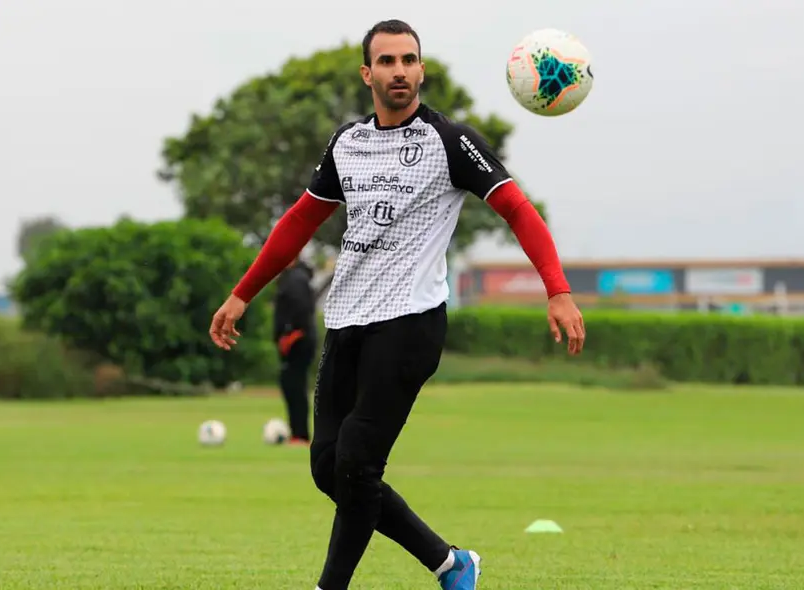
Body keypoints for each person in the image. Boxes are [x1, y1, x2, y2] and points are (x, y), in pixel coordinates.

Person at [209, 19, 585, 590]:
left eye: (409, 60)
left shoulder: (451, 141)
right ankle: (450, 563)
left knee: (358, 462)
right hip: (345, 323)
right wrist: (241, 293)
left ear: (421, 69)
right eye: (387, 62)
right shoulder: (347, 143)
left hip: (409, 324)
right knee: (328, 469)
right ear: (368, 74)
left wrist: (557, 290)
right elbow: (298, 222)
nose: (400, 71)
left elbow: (518, 211)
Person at [274, 258, 317, 445]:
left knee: (295, 385)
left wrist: (290, 334)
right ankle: (297, 433)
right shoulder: (291, 278)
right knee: (290, 384)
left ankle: (300, 435)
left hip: (298, 340)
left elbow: (303, 310)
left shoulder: (296, 279)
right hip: (294, 340)